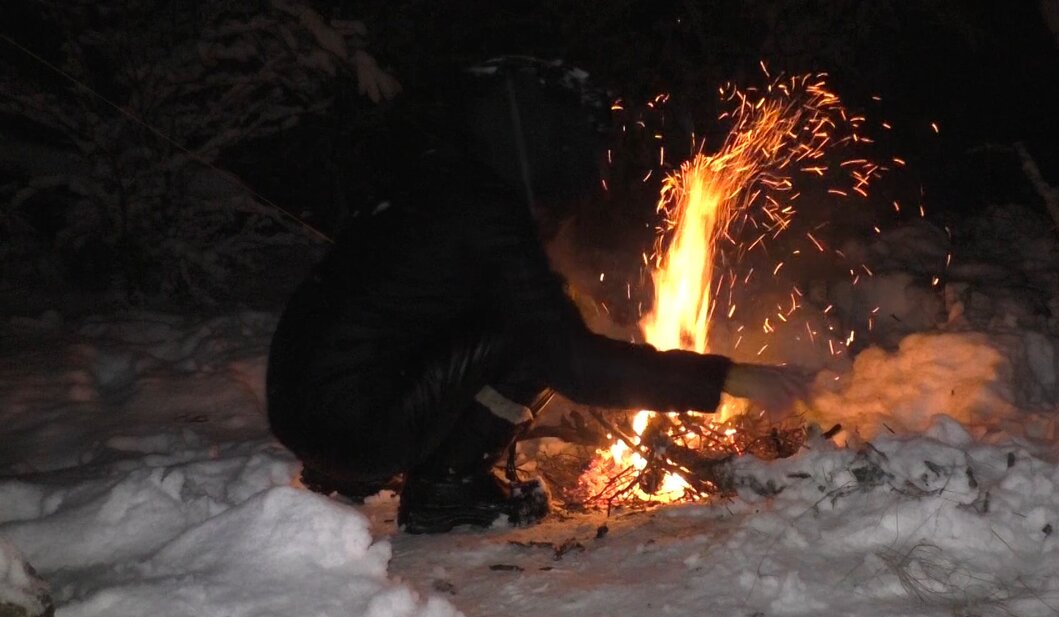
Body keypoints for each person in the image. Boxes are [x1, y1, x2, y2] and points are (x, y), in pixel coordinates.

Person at [266, 57, 806, 533]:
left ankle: (372, 469)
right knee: (532, 339)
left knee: (522, 318)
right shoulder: (486, 207)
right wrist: (727, 377)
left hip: (304, 413)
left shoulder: (437, 178)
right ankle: (446, 490)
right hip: (354, 428)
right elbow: (573, 364)